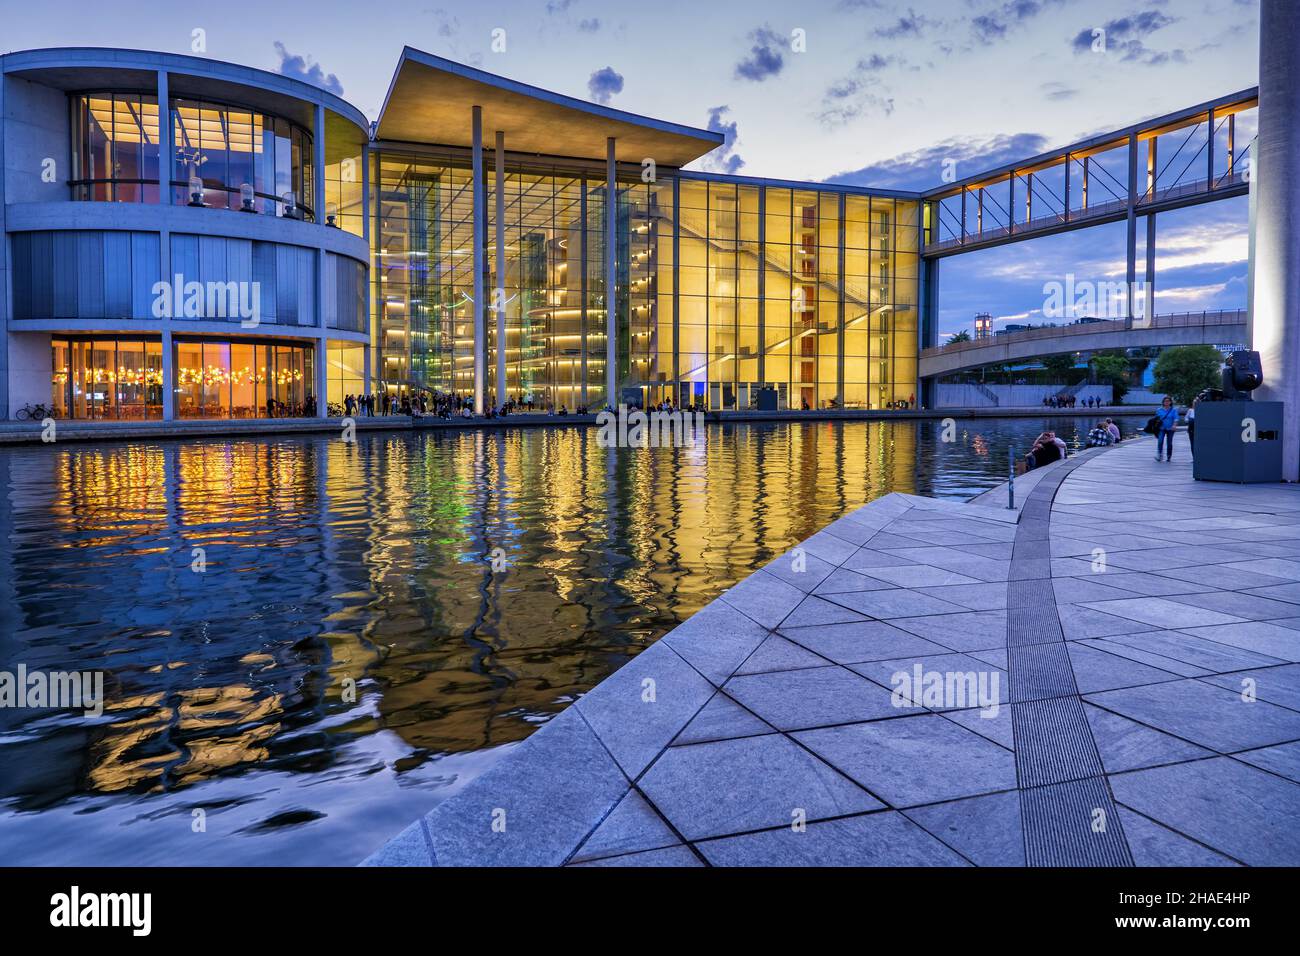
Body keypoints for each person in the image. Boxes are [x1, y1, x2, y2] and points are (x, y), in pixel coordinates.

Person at [1154, 395, 1179, 462]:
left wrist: (1174, 425)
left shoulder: (1174, 410)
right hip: (1161, 428)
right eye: (1165, 401)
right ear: (1163, 402)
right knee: (1160, 441)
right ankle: (1159, 455)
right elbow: (1156, 419)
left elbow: (1176, 419)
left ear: (1170, 402)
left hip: (1170, 429)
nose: (1167, 402)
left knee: (1169, 443)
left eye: (1168, 401)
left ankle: (1169, 456)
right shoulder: (1159, 410)